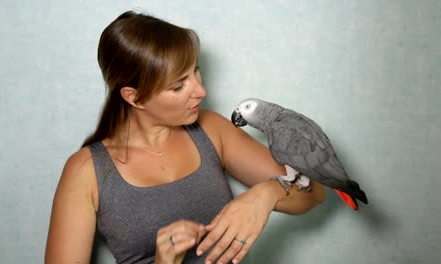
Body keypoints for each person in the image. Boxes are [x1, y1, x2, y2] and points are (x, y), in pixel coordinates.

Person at [45, 10, 326, 264]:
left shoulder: (211, 129)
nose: (200, 91)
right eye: (179, 85)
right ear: (135, 97)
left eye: (196, 71)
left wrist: (266, 195)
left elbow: (314, 192)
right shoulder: (85, 171)